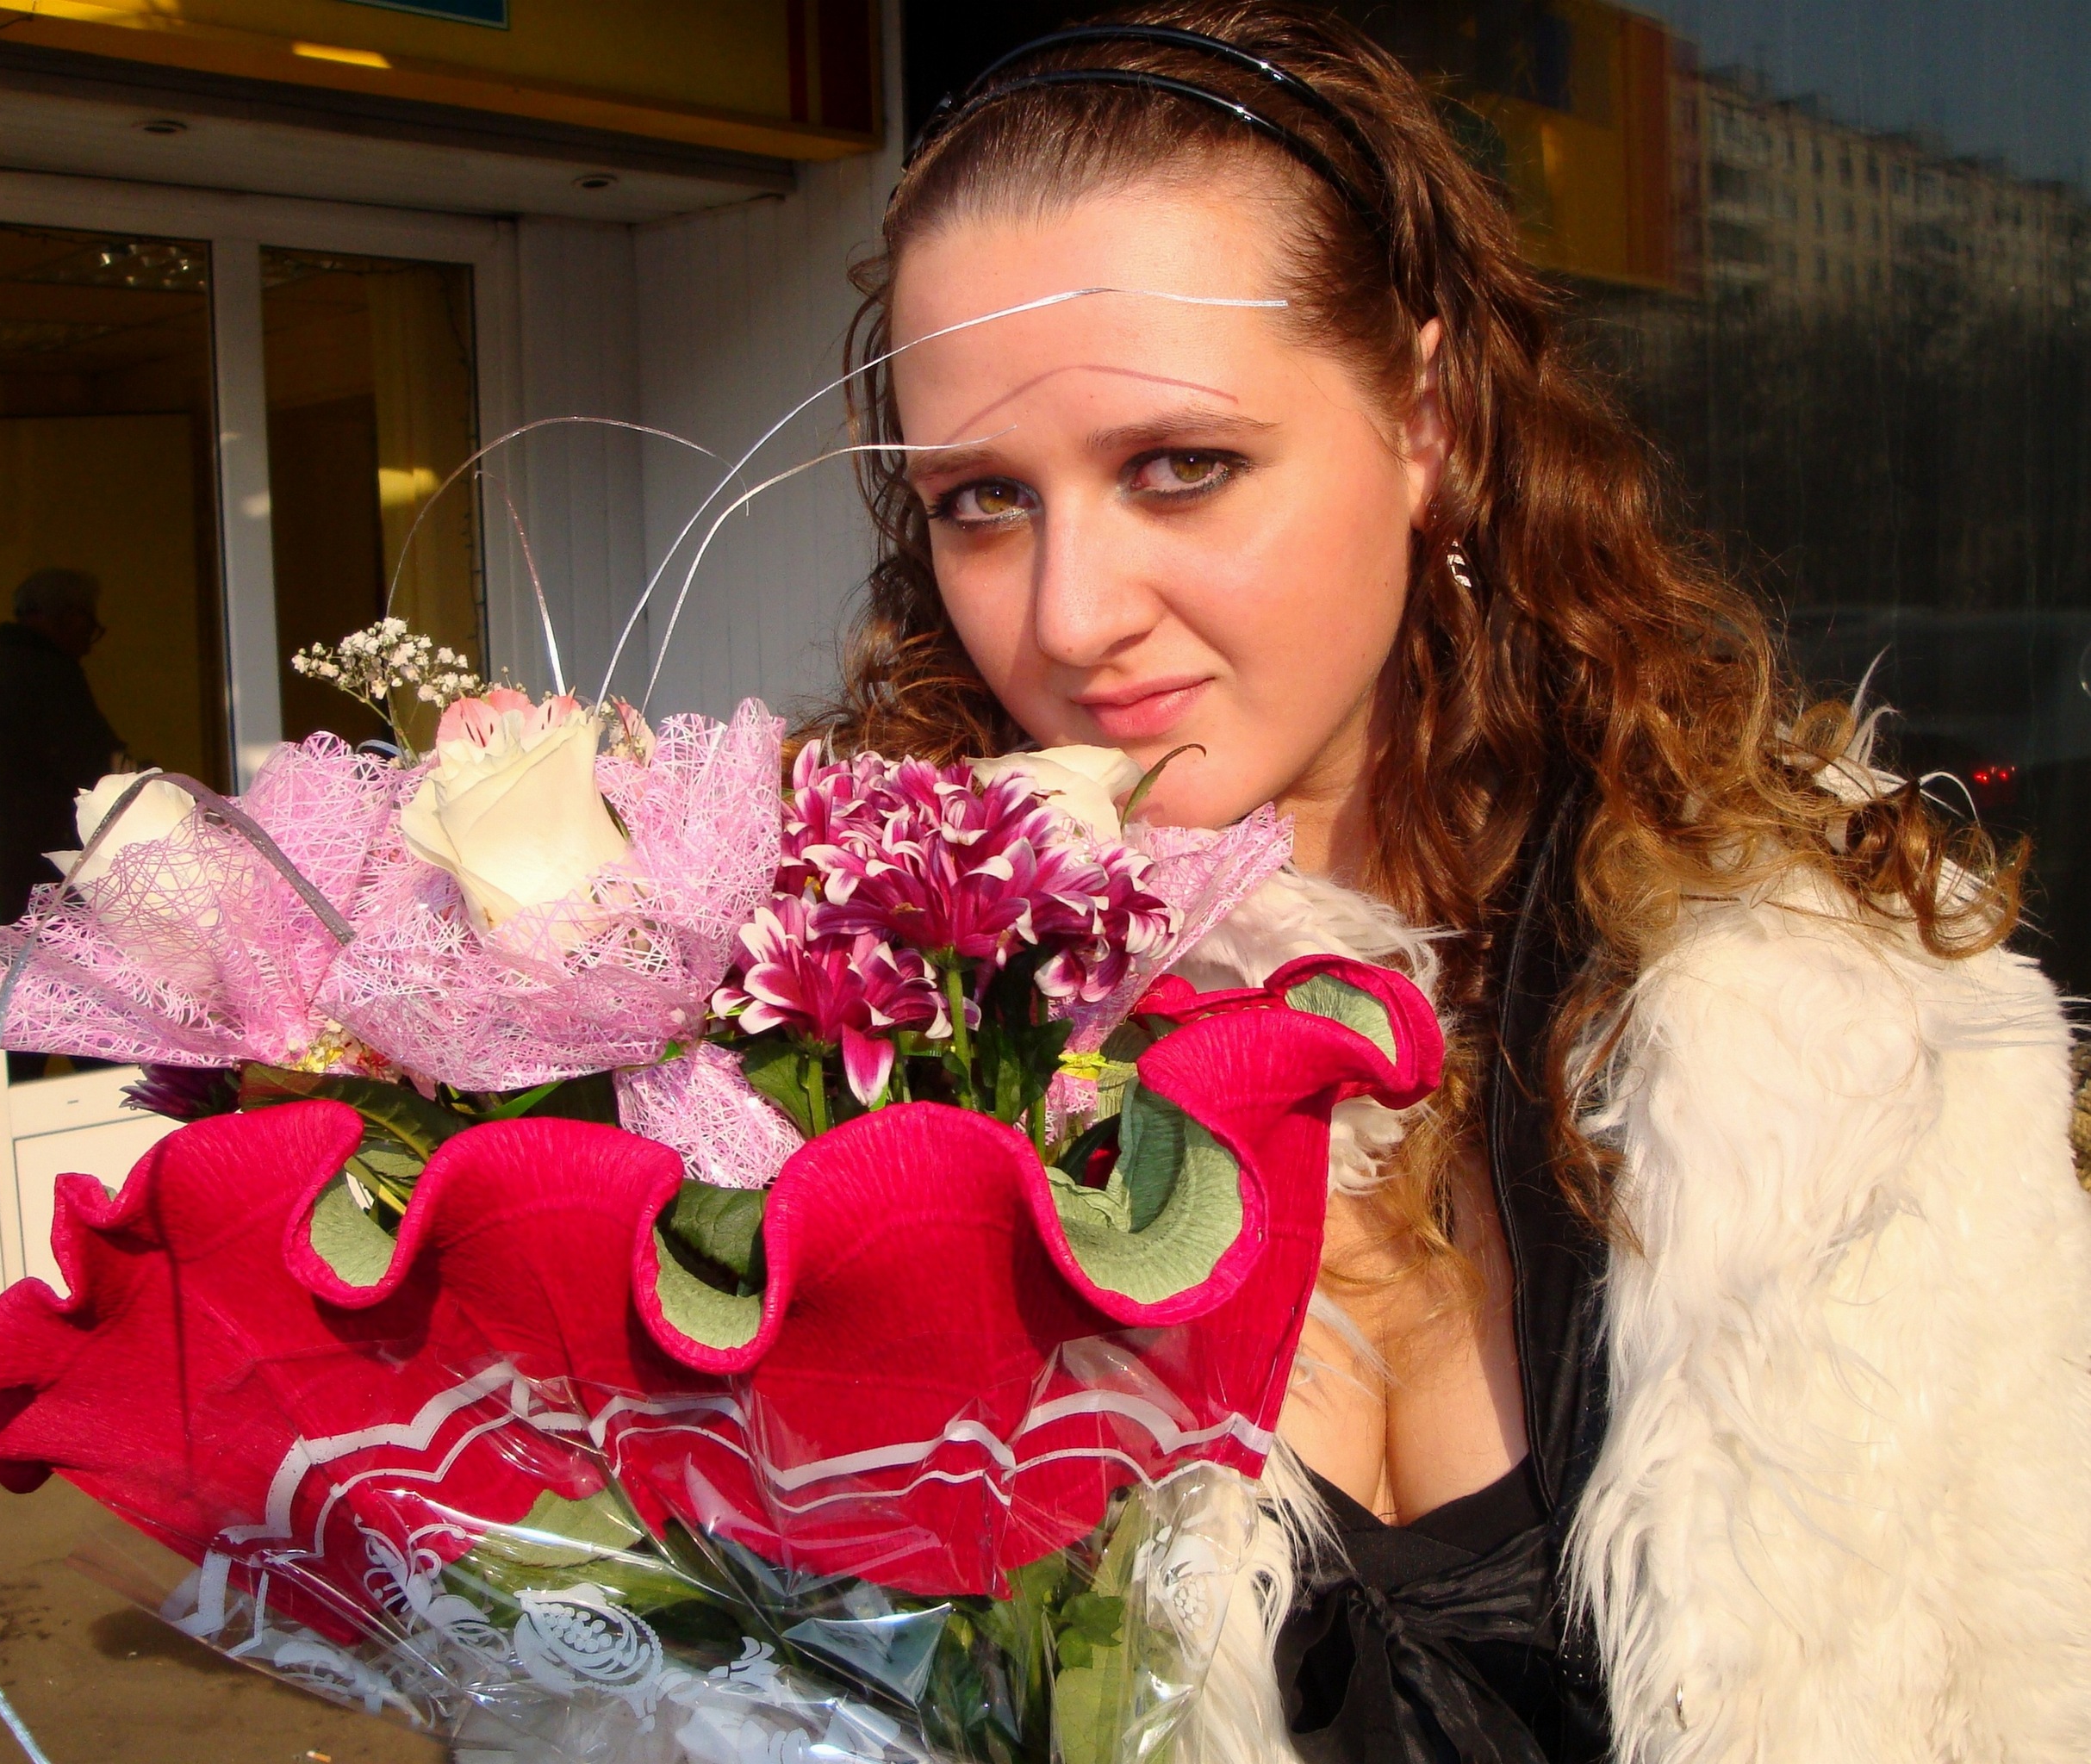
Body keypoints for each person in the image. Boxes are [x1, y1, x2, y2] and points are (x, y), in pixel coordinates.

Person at [806, 6, 2091, 1761]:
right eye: (978, 500)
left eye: (1179, 467)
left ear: (1423, 419)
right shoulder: (858, 1070)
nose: (1070, 614)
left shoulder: (1844, 1034)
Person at [0, 568, 126, 1079]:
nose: (89, 639)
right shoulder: (45, 672)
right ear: (67, 617)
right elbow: (94, 767)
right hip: (50, 870)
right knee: (87, 1010)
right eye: (89, 623)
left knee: (20, 1017)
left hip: (1, 869)